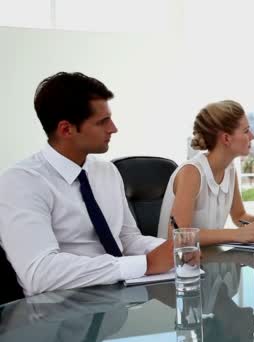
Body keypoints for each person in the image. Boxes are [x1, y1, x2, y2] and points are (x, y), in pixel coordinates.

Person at [0, 72, 174, 297]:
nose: (113, 128)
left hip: (117, 305)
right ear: (66, 130)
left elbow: (125, 239)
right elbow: (38, 273)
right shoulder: (21, 182)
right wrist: (144, 265)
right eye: (102, 121)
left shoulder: (106, 171)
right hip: (58, 314)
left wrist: (170, 250)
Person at [157, 100, 254, 245]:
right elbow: (179, 234)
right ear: (226, 138)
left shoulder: (230, 169)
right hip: (175, 263)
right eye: (246, 131)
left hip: (207, 259)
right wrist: (237, 234)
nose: (252, 136)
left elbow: (239, 216)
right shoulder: (192, 172)